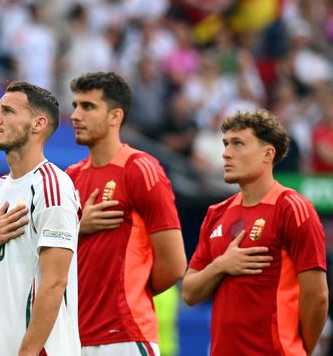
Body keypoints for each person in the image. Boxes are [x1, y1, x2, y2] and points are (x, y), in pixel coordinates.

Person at [183, 109, 328, 355]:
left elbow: (317, 296)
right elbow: (189, 292)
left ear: (267, 154)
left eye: (238, 144)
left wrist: (298, 349)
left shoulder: (292, 209)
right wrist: (221, 265)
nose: (226, 153)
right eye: (226, 143)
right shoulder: (216, 213)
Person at [0, 81, 81, 355]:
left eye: (8, 111)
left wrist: (27, 352)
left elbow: (55, 282)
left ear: (38, 124)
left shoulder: (53, 186)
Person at [65, 71, 186, 355]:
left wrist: (124, 296)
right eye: (75, 106)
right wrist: (77, 228)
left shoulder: (140, 168)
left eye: (88, 106)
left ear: (115, 117)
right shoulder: (70, 177)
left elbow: (174, 264)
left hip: (124, 337)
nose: (75, 115)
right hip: (73, 337)